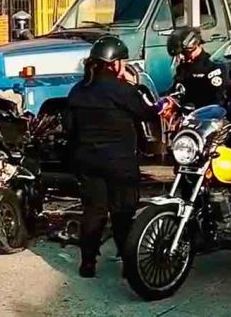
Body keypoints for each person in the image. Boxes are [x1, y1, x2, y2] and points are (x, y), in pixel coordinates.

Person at [65, 35, 159, 279]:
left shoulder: (78, 90)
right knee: (122, 213)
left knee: (93, 211)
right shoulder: (122, 90)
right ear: (115, 63)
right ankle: (129, 265)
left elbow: (69, 129)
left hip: (87, 160)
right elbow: (147, 112)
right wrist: (141, 90)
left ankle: (87, 263)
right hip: (119, 162)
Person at [167, 26, 228, 109]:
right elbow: (176, 89)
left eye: (184, 53)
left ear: (195, 47)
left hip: (203, 113)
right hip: (183, 113)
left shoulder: (213, 67)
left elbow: (217, 102)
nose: (181, 58)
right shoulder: (183, 67)